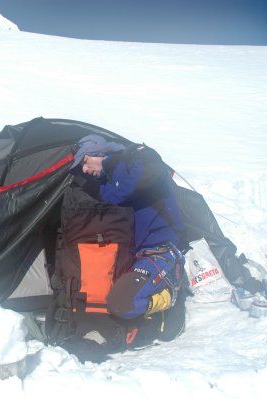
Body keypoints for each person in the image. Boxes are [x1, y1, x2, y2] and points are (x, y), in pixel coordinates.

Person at [72, 134, 187, 344]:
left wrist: (112, 169)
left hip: (159, 251)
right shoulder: (109, 179)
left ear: (98, 152)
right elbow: (112, 195)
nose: (85, 170)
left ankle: (170, 292)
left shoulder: (138, 159)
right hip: (132, 254)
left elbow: (149, 173)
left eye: (84, 162)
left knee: (122, 303)